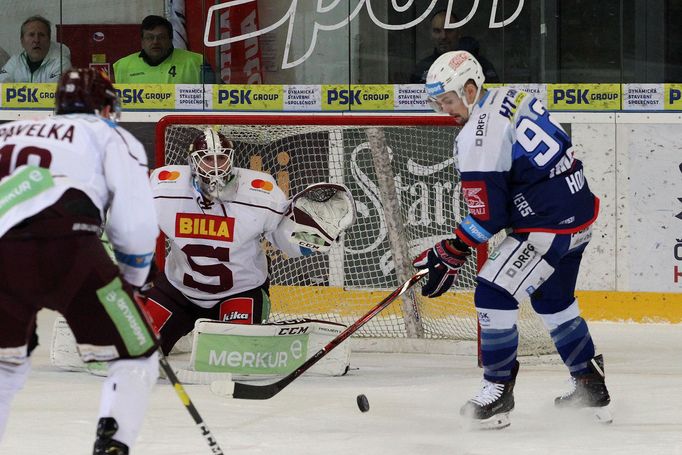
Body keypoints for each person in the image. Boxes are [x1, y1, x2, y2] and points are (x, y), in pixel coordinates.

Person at [412, 50, 611, 429]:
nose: (443, 111)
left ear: (470, 89)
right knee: (553, 301)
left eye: (448, 101)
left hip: (548, 225)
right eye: (437, 103)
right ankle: (589, 382)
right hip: (578, 215)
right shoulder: (512, 97)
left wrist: (451, 250)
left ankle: (497, 390)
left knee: (493, 293)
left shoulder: (477, 136)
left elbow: (490, 217)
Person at [0, 68, 159, 454]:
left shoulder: (6, 130)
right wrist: (133, 282)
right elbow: (134, 224)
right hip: (68, 249)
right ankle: (113, 444)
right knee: (137, 351)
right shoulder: (109, 134)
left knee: (4, 365)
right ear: (105, 105)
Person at [144, 128, 355, 355]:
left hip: (240, 292)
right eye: (207, 159)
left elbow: (287, 241)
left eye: (222, 158)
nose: (215, 166)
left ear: (232, 160)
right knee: (133, 352)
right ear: (193, 163)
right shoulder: (164, 190)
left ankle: (245, 338)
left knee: (232, 359)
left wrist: (314, 237)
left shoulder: (258, 194)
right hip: (178, 291)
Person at [114, 15, 214, 84]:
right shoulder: (122, 66)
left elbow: (218, 96)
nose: (155, 42)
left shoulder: (196, 62)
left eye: (161, 37)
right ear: (142, 41)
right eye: (149, 37)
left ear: (170, 39)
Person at [409, 9, 499, 84]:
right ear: (431, 34)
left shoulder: (480, 65)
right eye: (437, 31)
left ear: (459, 32)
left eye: (449, 30)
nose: (443, 36)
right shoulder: (422, 69)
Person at [0, 15, 71, 83]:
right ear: (22, 41)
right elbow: (1, 86)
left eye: (41, 35)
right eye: (31, 35)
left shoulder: (61, 63)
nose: (36, 40)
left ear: (49, 40)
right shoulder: (15, 61)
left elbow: (55, 92)